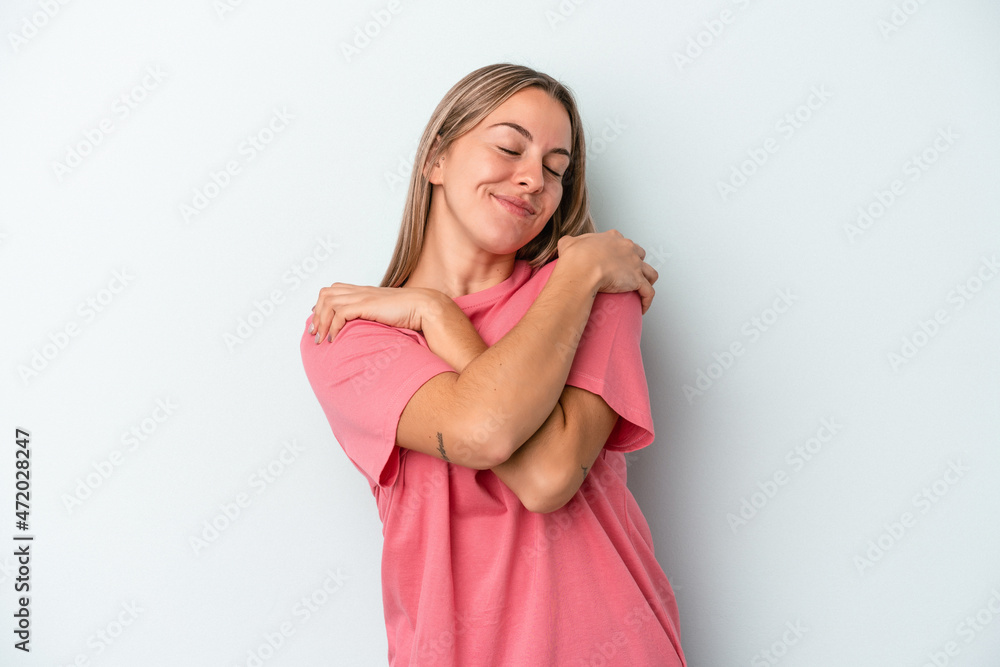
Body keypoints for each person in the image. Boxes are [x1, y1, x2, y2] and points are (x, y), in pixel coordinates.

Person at [300, 63, 686, 666]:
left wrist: (572, 276)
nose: (533, 178)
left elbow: (550, 477)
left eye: (556, 169)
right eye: (510, 147)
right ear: (437, 158)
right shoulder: (350, 334)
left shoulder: (591, 293)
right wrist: (435, 309)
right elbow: (482, 431)